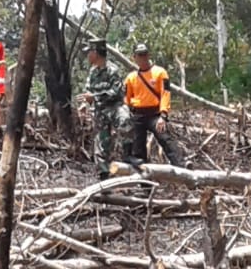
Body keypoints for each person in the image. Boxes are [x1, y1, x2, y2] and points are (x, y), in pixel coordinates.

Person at [124, 42, 186, 168]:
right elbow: (126, 98)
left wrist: (163, 115)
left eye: (144, 54)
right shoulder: (131, 77)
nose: (142, 58)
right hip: (137, 114)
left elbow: (165, 93)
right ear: (134, 57)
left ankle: (182, 166)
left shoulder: (160, 72)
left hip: (155, 113)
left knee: (165, 139)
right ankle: (144, 183)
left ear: (148, 55)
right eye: (139, 55)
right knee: (138, 149)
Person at [79, 39, 131, 179]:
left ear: (95, 53)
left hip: (114, 108)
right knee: (101, 143)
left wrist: (94, 97)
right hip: (100, 111)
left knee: (125, 120)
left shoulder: (112, 70)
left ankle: (130, 158)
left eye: (89, 52)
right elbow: (88, 90)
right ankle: (104, 174)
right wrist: (85, 103)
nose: (87, 56)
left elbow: (116, 93)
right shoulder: (92, 72)